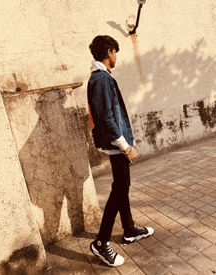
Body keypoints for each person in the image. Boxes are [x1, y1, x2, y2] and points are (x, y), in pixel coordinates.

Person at [87, 35, 154, 267]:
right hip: (117, 144)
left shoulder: (101, 78)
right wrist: (125, 146)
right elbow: (105, 116)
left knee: (121, 185)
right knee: (121, 187)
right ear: (108, 52)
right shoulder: (102, 80)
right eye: (115, 51)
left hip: (115, 143)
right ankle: (101, 241)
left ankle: (128, 229)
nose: (116, 56)